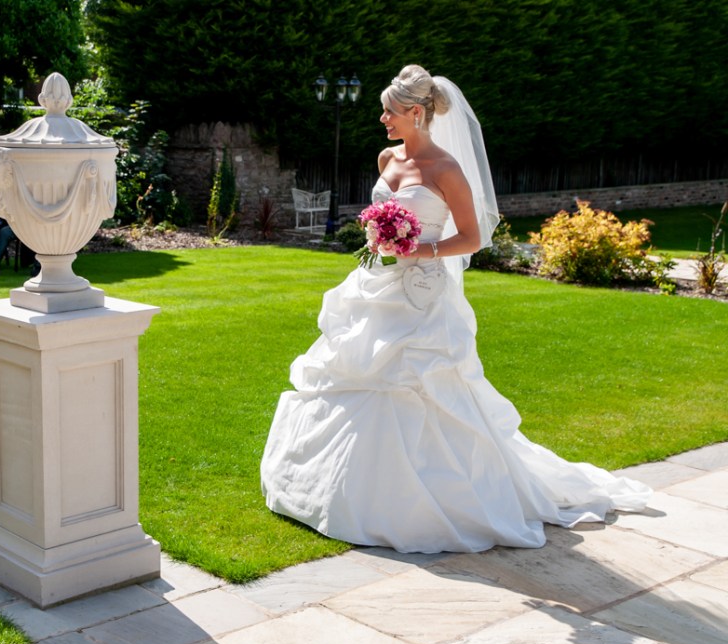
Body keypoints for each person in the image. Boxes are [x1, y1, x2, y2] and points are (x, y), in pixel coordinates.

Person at [260, 65, 651, 553]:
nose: (383, 119)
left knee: (418, 382)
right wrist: (378, 241)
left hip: (422, 296)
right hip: (376, 285)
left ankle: (423, 499)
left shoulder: (446, 170)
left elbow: (472, 236)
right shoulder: (386, 158)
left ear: (417, 112)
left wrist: (419, 251)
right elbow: (376, 218)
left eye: (390, 111)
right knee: (356, 369)